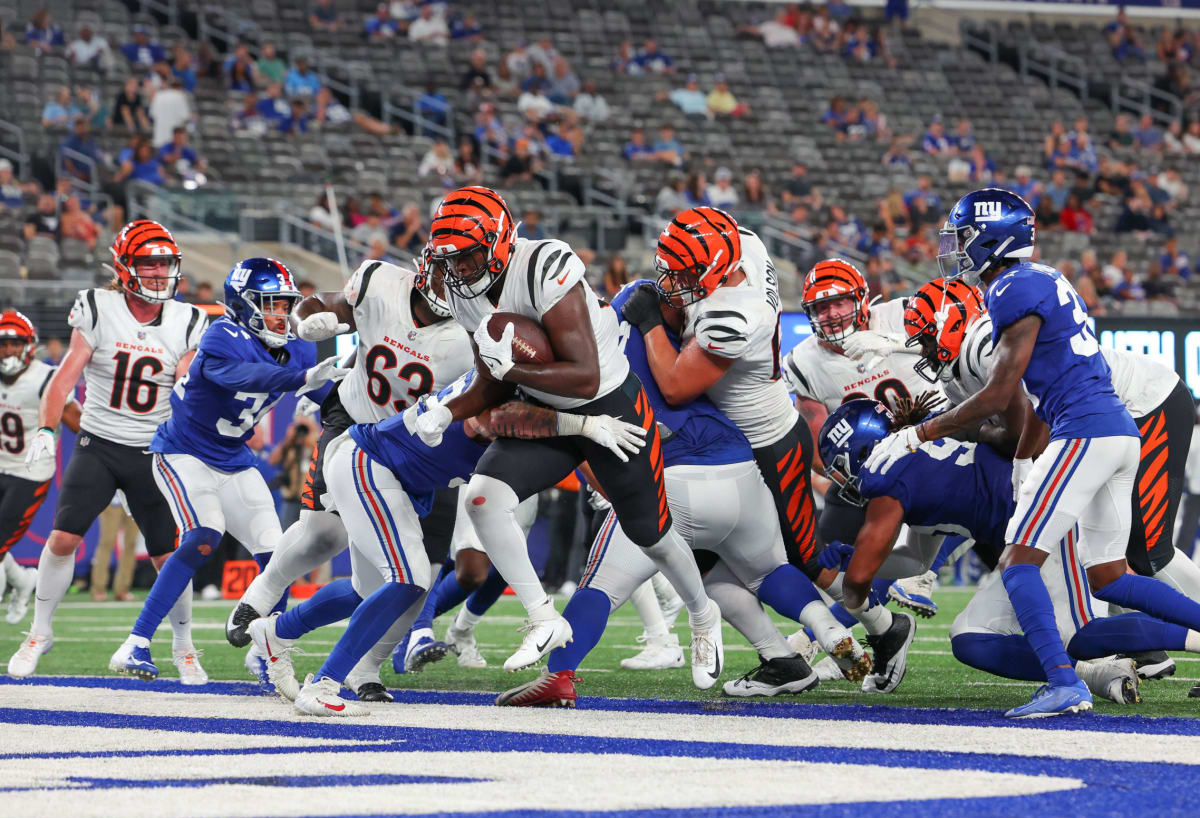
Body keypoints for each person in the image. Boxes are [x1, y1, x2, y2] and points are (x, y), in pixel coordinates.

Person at [869, 187, 1200, 718]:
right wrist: (1024, 459)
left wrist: (918, 433)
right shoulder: (1047, 278)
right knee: (1112, 575)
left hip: (1086, 432)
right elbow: (1039, 394)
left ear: (992, 237)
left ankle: (1064, 683)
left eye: (962, 236)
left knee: (1018, 561)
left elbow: (1001, 395)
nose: (954, 247)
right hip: (1115, 429)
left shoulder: (1009, 290)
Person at [498, 281, 875, 706]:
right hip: (737, 464)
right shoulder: (645, 310)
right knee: (757, 572)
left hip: (669, 478)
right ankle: (812, 639)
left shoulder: (573, 362)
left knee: (599, 585)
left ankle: (559, 675)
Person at [414, 187, 726, 685]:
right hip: (549, 410)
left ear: (498, 242)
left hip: (610, 405)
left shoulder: (544, 264)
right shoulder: (460, 290)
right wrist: (446, 412)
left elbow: (583, 375)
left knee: (654, 535)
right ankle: (542, 616)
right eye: (451, 260)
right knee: (482, 499)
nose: (460, 270)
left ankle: (703, 616)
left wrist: (513, 367)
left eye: (469, 255)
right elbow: (492, 381)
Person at [246, 371, 639, 715]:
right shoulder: (506, 387)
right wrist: (581, 424)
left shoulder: (527, 388)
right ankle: (324, 686)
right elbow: (494, 418)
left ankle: (277, 631)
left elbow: (566, 446)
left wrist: (620, 484)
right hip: (371, 462)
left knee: (366, 590)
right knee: (408, 579)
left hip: (395, 476)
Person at [904, 276, 1199, 680]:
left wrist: (946, 430)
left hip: (1145, 404)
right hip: (1094, 425)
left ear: (950, 323)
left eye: (925, 337)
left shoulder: (984, 346)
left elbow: (1022, 424)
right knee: (1107, 560)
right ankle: (1147, 647)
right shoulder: (961, 367)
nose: (923, 350)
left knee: (1148, 551)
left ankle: (1143, 643)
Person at [817, 401, 1199, 704]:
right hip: (1021, 540)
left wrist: (855, 601)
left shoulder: (887, 476)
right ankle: (1090, 673)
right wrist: (855, 557)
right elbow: (916, 560)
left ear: (862, 449)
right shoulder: (915, 460)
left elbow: (859, 584)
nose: (841, 479)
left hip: (1045, 519)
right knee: (970, 639)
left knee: (1080, 633)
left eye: (839, 466)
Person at [228, 256, 474, 701]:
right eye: (445, 272)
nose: (452, 285)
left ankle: (362, 666)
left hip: (414, 456)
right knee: (329, 538)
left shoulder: (476, 330)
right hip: (358, 431)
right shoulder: (381, 282)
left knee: (390, 586)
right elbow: (330, 307)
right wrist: (309, 318)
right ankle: (264, 600)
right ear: (425, 268)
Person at [107, 258, 342, 680]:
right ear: (244, 306)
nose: (280, 314)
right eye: (269, 304)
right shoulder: (222, 336)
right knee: (203, 534)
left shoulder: (300, 346)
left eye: (284, 305)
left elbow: (325, 390)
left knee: (279, 554)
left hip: (234, 458)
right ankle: (135, 643)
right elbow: (242, 376)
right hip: (184, 451)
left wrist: (344, 390)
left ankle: (265, 650)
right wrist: (300, 379)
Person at [8, 222, 207, 679]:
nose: (159, 272)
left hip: (153, 450)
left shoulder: (188, 318)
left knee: (166, 555)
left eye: (165, 263)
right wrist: (48, 429)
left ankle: (184, 645)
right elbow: (65, 375)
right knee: (63, 537)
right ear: (124, 266)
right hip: (98, 442)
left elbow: (186, 376)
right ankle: (39, 633)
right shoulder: (99, 306)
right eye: (148, 263)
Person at [780, 258, 949, 617]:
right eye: (821, 307)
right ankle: (837, 635)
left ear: (861, 299)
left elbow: (954, 352)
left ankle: (925, 573)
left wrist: (898, 343)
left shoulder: (903, 315)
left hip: (935, 447)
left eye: (839, 302)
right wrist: (855, 479)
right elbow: (816, 446)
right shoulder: (803, 361)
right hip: (866, 473)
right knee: (824, 559)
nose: (831, 314)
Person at [0, 313, 74, 626]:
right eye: (3, 344)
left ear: (29, 346)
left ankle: (20, 583)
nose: (8, 351)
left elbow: (80, 424)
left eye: (15, 343)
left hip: (30, 473)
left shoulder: (46, 378)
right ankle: (22, 581)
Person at [90, 495, 139, 603]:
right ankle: (98, 588)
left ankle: (123, 589)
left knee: (131, 543)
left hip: (134, 496)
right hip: (113, 497)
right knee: (107, 541)